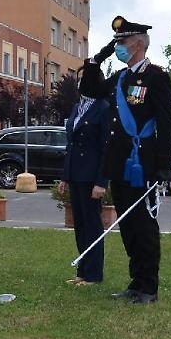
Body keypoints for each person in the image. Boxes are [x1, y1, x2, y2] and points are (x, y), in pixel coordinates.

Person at [79, 16, 171, 304]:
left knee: (144, 226)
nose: (118, 46)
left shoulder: (156, 77)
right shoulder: (121, 78)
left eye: (121, 42)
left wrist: (163, 166)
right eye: (116, 42)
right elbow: (90, 90)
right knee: (128, 224)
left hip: (142, 162)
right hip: (119, 162)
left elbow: (167, 124)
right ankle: (135, 282)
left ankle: (149, 287)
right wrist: (96, 60)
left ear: (137, 43)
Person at [58, 94, 111, 285]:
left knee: (92, 225)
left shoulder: (103, 107)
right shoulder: (77, 107)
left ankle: (94, 274)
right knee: (80, 225)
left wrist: (101, 181)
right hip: (76, 175)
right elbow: (70, 144)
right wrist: (65, 176)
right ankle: (83, 271)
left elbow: (106, 147)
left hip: (91, 176)